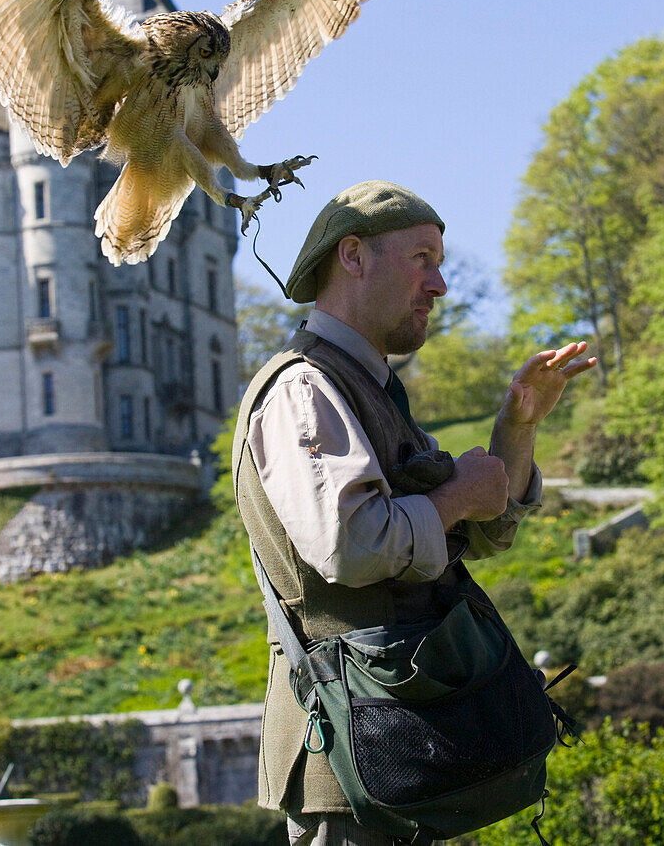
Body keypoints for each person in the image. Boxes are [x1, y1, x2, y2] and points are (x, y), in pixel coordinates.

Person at [232, 181, 596, 846]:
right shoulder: (304, 388)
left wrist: (515, 425)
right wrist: (454, 494)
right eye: (422, 259)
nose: (440, 285)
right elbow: (353, 545)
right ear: (352, 256)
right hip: (348, 762)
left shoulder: (367, 387)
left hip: (397, 746)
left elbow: (477, 529)